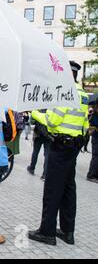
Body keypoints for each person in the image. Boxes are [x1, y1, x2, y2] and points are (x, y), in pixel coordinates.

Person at [28, 61, 89, 246]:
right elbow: (84, 124)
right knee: (69, 188)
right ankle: (67, 231)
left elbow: (52, 121)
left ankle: (47, 232)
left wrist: (35, 113)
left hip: (61, 145)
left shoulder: (64, 91)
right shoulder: (82, 93)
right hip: (74, 146)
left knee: (53, 188)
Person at [27, 110, 52, 179]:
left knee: (35, 152)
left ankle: (32, 168)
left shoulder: (38, 109)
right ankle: (45, 174)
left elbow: (31, 122)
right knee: (47, 155)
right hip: (48, 136)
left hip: (38, 134)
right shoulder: (51, 110)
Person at [86, 105, 98, 183]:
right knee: (96, 157)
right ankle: (91, 175)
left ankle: (96, 175)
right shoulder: (94, 115)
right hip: (96, 138)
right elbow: (93, 125)